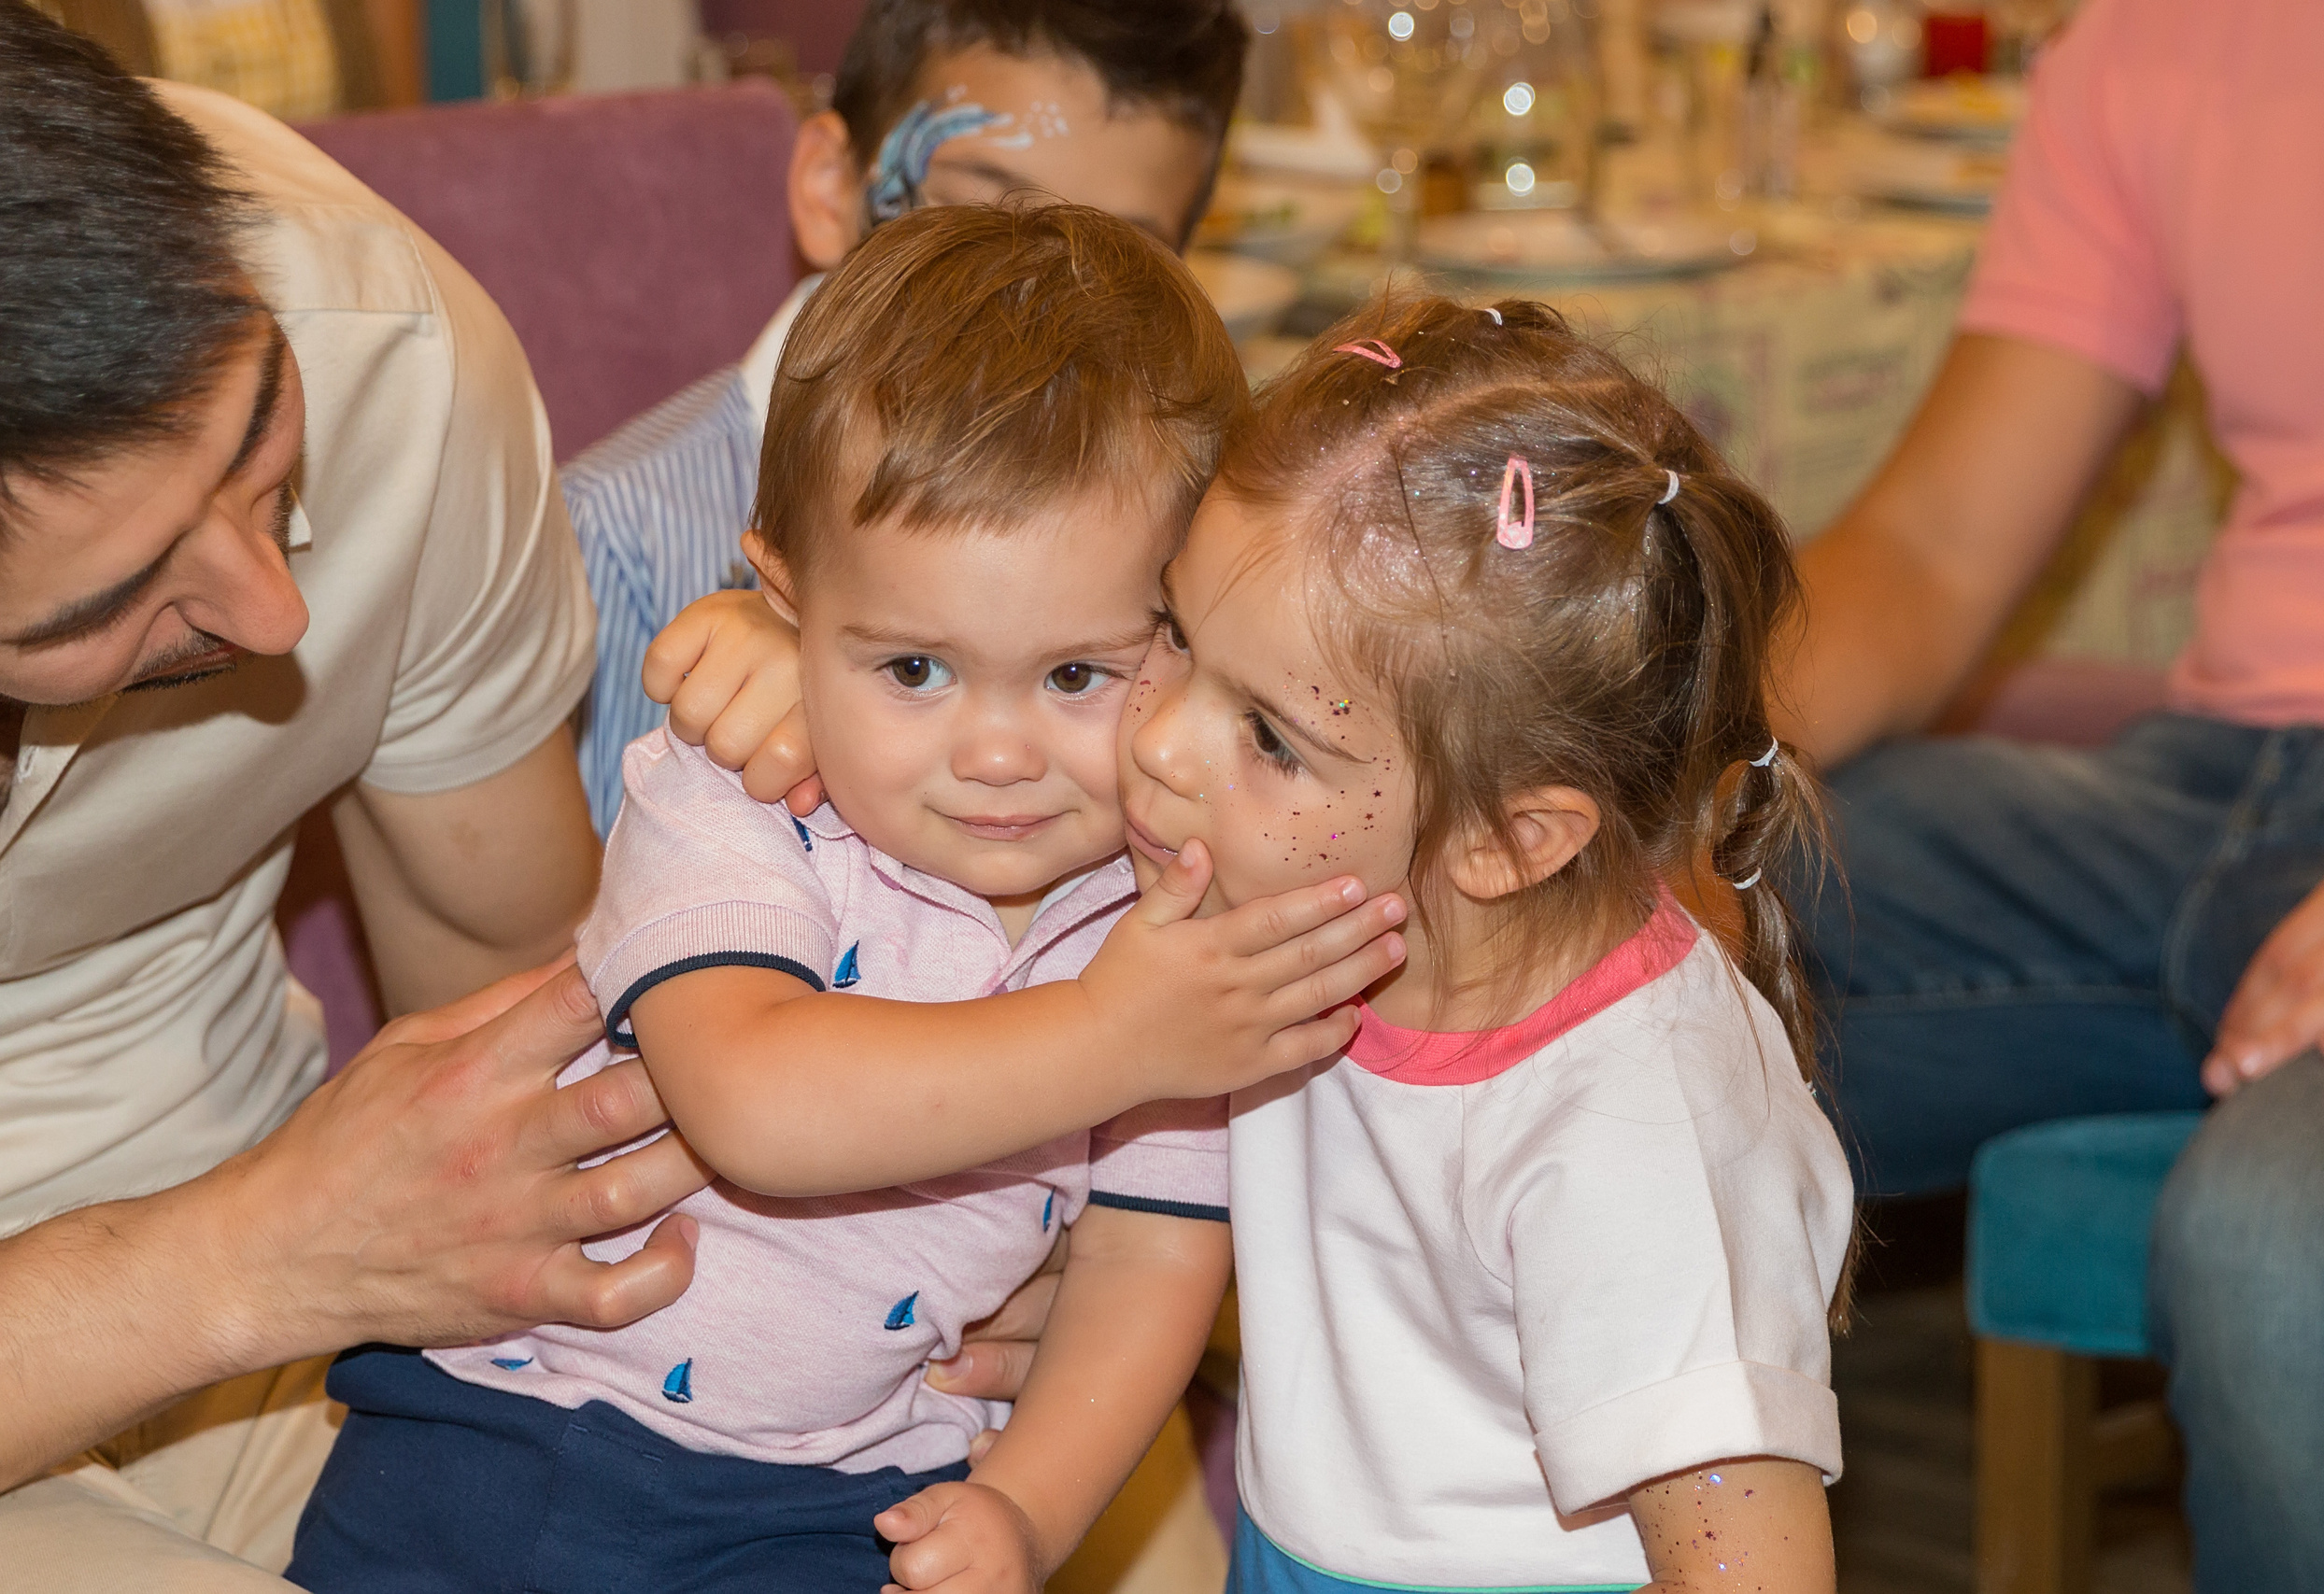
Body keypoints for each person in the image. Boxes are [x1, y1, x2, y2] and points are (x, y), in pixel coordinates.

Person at [285, 204, 1410, 1594]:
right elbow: (757, 1102)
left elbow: (1149, 1261)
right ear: (788, 599)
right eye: (914, 670)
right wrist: (1123, 1034)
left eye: (1077, 675)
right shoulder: (737, 789)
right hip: (529, 1426)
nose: (995, 753)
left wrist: (1025, 1509)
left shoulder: (1172, 908)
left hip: (864, 1486)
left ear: (1191, 630)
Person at [0, 5, 709, 1584]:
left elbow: (515, 983)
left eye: (258, 440)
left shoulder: (369, 328)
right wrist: (256, 1253)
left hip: (262, 1246)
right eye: (92, 606)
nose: (274, 616)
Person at [1775, 0, 2324, 1585]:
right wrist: (1639, 765)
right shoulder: (2163, 38)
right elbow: (1930, 554)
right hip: (2214, 799)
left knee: (2279, 1237)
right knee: (1551, 931)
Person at [1106, 296, 1852, 1593]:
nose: (1160, 743)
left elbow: (1751, 1570)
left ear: (1509, 840)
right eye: (1176, 635)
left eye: (1271, 734)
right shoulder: (1295, 893)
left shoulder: (1635, 1134)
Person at [570, 0, 1247, 833]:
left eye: (1123, 253)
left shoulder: (1198, 498)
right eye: (974, 219)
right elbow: (589, 941)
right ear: (830, 190)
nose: (1039, 297)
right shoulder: (616, 535)